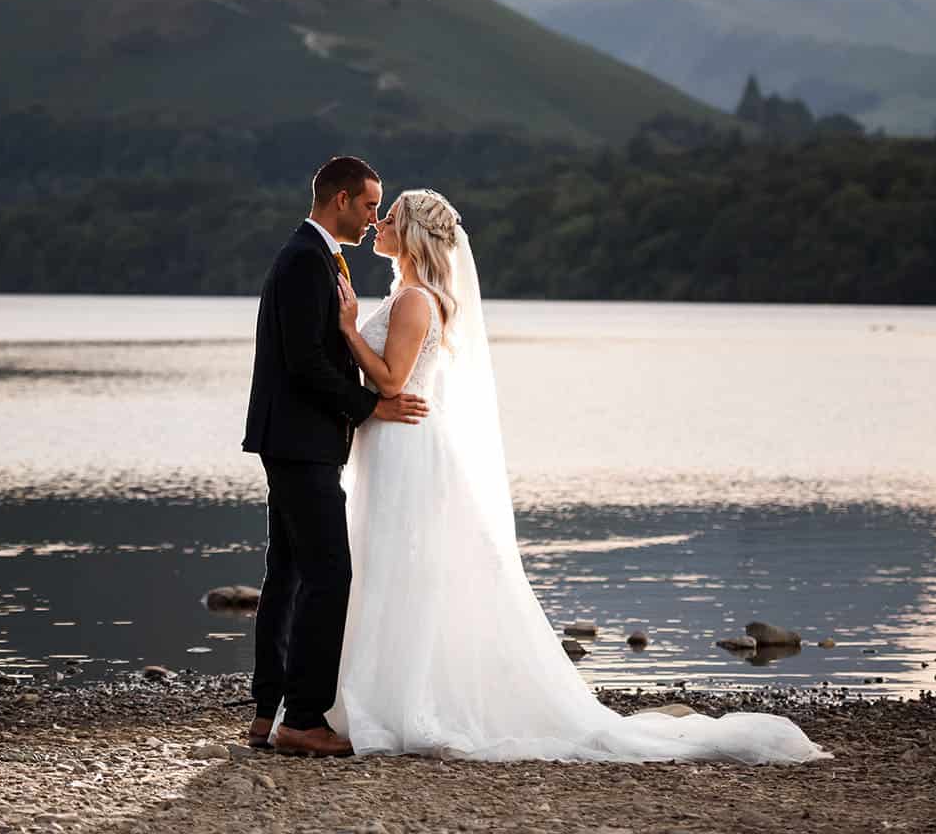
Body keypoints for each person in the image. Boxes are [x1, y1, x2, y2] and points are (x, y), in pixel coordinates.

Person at [324, 186, 829, 763]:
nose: (379, 226)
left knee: (400, 566)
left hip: (407, 446)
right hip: (396, 441)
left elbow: (391, 382)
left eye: (389, 218)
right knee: (392, 565)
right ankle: (384, 694)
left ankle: (402, 701)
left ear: (412, 233)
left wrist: (345, 329)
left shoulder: (415, 300)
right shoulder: (411, 294)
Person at [241, 155, 428, 758]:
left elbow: (318, 355)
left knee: (290, 573)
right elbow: (306, 363)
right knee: (329, 574)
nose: (375, 218)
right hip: (300, 441)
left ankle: (268, 709)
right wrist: (370, 407)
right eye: (371, 205)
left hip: (300, 439)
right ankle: (302, 718)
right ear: (341, 199)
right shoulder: (304, 259)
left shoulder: (319, 257)